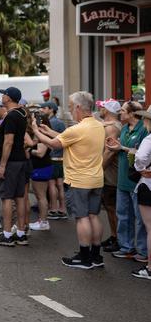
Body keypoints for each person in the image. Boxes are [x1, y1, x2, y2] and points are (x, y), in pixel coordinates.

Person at [34, 91, 106, 269]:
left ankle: (84, 256)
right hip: (96, 178)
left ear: (80, 108)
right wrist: (49, 130)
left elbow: (54, 144)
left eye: (72, 107)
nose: (71, 111)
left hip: (79, 180)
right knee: (93, 216)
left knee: (82, 218)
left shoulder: (78, 129)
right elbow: (66, 136)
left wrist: (36, 130)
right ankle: (96, 256)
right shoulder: (98, 125)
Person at [0, 88, 31, 247]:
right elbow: (2, 114)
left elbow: (8, 142)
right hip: (21, 161)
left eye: (4, 94)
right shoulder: (20, 113)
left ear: (9, 97)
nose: (2, 96)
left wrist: (2, 165)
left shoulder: (12, 116)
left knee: (6, 197)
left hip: (11, 162)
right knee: (20, 197)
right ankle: (20, 233)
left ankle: (6, 235)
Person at [106, 101, 149, 261]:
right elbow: (123, 147)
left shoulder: (144, 130)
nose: (120, 113)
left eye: (123, 111)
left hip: (137, 180)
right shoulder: (124, 128)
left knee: (140, 219)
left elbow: (144, 154)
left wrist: (121, 148)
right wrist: (116, 145)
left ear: (132, 114)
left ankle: (143, 251)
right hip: (123, 179)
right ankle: (127, 247)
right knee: (123, 214)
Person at [98, 100, 123, 249]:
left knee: (112, 207)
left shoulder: (112, 128)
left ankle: (118, 239)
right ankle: (114, 236)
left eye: (101, 107)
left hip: (111, 174)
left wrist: (98, 169)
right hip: (108, 173)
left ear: (107, 110)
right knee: (109, 207)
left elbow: (109, 152)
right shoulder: (109, 126)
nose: (99, 109)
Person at [130, 109, 151, 279]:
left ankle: (150, 267)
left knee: (150, 228)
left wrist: (140, 168)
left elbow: (140, 159)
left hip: (148, 185)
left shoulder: (149, 139)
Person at [40, 101, 68, 220]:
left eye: (44, 108)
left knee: (52, 185)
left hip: (52, 157)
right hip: (62, 158)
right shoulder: (61, 123)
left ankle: (54, 209)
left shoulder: (50, 123)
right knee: (60, 185)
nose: (42, 110)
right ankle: (63, 209)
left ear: (51, 109)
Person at [27, 111, 54, 232]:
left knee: (41, 196)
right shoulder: (38, 134)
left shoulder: (43, 134)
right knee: (39, 196)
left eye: (33, 119)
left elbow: (40, 153)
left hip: (42, 167)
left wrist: (28, 151)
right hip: (39, 168)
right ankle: (41, 220)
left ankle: (43, 221)